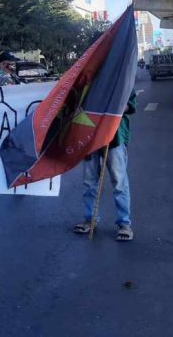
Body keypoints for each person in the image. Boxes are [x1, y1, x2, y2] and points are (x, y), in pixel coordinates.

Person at [73, 89, 137, 242]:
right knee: (89, 181)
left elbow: (130, 104)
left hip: (114, 136)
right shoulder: (89, 74)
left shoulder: (120, 73)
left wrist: (114, 109)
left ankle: (124, 223)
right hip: (89, 134)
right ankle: (90, 219)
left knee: (119, 181)